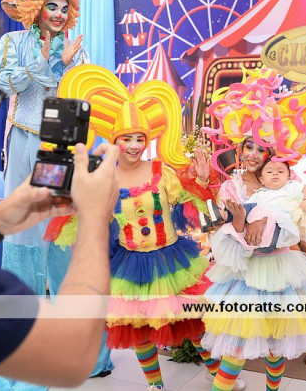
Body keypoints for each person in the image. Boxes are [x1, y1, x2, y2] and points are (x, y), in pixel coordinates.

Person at [50, 63, 246, 391]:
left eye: (139, 138)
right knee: (138, 329)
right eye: (126, 138)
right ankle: (155, 385)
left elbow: (195, 206)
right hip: (130, 265)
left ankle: (214, 373)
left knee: (194, 321)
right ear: (115, 140)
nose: (133, 145)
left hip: (172, 260)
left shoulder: (162, 171)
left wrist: (201, 181)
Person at [0, 0, 120, 386]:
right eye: (51, 6)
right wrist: (49, 62)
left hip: (63, 144)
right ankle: (17, 365)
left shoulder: (76, 47)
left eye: (64, 8)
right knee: (23, 240)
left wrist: (67, 65)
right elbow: (6, 83)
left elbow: (82, 94)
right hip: (24, 143)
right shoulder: (12, 41)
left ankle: (91, 354)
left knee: (64, 234)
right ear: (36, 8)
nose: (58, 13)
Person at [201, 68, 306, 391]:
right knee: (236, 345)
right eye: (249, 147)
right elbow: (220, 230)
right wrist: (239, 223)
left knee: (276, 343)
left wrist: (273, 217)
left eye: (261, 149)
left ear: (272, 154)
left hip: (282, 271)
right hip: (245, 275)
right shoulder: (231, 186)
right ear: (239, 149)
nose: (253, 155)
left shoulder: (285, 182)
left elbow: (302, 221)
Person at [204, 158, 306, 255]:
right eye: (269, 172)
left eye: (280, 172)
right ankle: (218, 218)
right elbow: (246, 213)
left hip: (277, 235)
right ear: (262, 179)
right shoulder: (260, 194)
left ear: (289, 177)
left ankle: (224, 215)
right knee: (245, 208)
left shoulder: (291, 186)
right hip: (259, 241)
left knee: (250, 208)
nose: (275, 174)